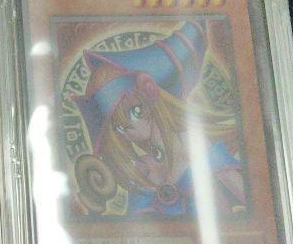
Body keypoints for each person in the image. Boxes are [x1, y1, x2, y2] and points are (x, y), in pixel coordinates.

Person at [72, 20, 246, 217]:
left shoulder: (191, 143)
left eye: (134, 112)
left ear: (150, 100)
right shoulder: (144, 167)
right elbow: (135, 223)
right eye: (119, 128)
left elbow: (242, 194)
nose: (128, 132)